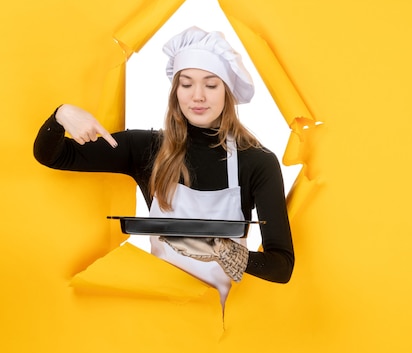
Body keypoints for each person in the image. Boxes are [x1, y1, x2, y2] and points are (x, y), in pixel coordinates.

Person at [34, 26, 294, 305]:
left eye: (210, 84)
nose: (197, 96)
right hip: (157, 313)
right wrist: (62, 114)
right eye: (186, 83)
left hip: (219, 324)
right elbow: (53, 156)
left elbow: (282, 266)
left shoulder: (257, 162)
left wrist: (232, 254)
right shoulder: (146, 148)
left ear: (227, 91)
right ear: (175, 91)